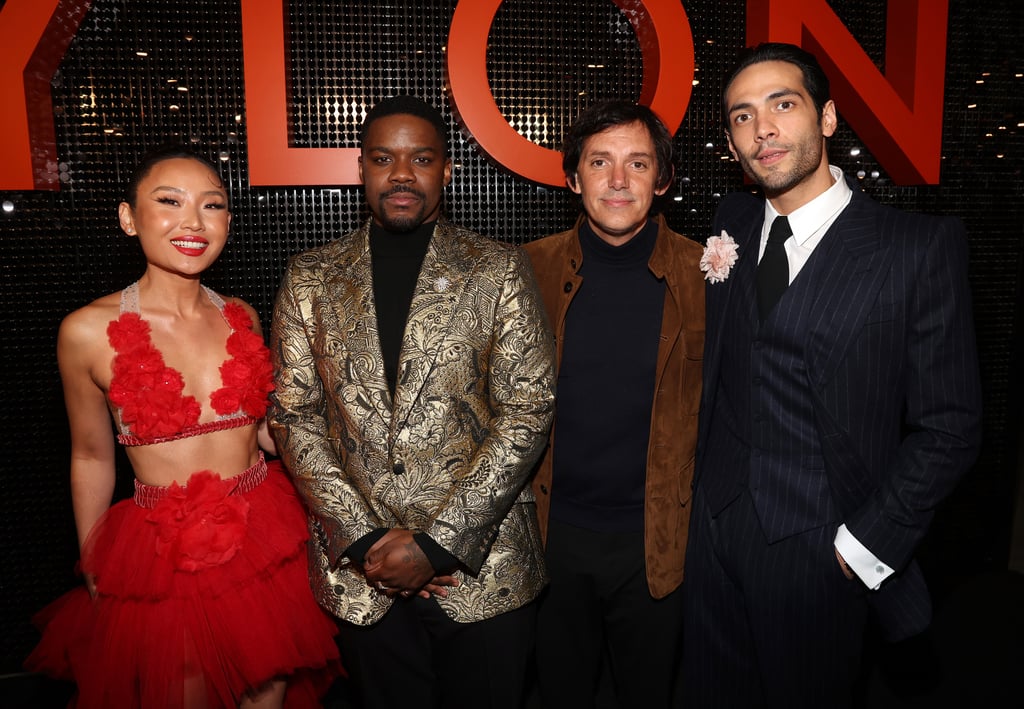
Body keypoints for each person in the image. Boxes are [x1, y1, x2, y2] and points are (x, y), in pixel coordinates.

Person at [682, 42, 983, 708]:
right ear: (731, 144)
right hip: (712, 532)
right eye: (741, 116)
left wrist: (863, 546)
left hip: (822, 550)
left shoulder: (914, 249)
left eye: (781, 105)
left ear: (826, 118)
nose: (762, 129)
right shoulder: (729, 222)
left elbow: (952, 426)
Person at [24, 145, 340, 707]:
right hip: (161, 553)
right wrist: (94, 562)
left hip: (262, 532)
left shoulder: (240, 313)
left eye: (212, 206)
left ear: (228, 223)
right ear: (129, 217)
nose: (192, 222)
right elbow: (91, 457)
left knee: (268, 692)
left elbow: (264, 431)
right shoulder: (85, 331)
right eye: (169, 201)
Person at [268, 95, 556, 709]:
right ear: (362, 170)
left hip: (483, 574)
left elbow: (528, 409)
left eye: (420, 158)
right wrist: (364, 539)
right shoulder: (310, 276)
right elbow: (293, 413)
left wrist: (435, 545)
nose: (401, 174)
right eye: (383, 158)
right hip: (361, 578)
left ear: (446, 171)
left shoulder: (498, 267)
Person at [522, 100, 704, 708]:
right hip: (551, 540)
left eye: (638, 163)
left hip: (658, 544)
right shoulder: (525, 270)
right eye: (600, 162)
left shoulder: (705, 275)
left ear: (664, 178)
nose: (619, 181)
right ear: (574, 178)